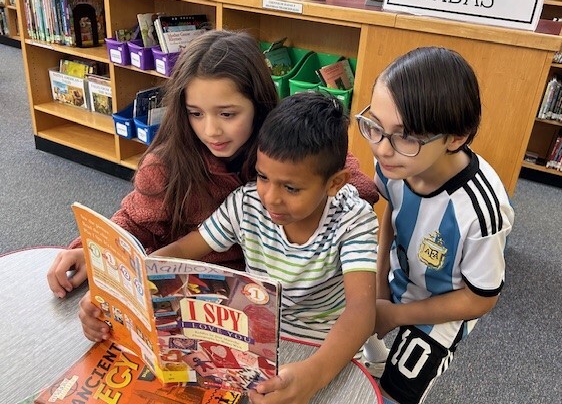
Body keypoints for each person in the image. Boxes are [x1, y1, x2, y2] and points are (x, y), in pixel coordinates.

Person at [79, 92, 379, 404]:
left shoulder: (353, 219)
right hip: (253, 343)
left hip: (325, 348)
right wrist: (116, 289)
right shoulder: (246, 204)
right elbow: (181, 252)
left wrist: (314, 374)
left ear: (334, 183)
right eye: (263, 176)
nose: (271, 198)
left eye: (291, 188)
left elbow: (361, 310)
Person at [47, 30, 379, 298]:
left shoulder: (277, 144)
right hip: (188, 287)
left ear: (259, 104)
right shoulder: (165, 166)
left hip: (263, 293)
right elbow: (134, 221)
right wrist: (91, 250)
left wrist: (325, 187)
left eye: (228, 114)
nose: (211, 130)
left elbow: (355, 181)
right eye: (196, 114)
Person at [357, 47, 515, 404]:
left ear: (456, 138)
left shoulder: (481, 212)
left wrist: (397, 314)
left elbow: (480, 299)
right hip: (401, 277)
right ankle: (379, 356)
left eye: (406, 135)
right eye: (376, 127)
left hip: (445, 306)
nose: (381, 149)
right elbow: (391, 217)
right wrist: (380, 286)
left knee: (396, 393)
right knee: (352, 318)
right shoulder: (396, 161)